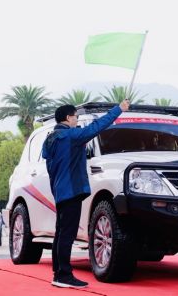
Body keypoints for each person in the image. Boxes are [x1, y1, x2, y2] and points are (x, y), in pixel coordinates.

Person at [43, 100, 131, 289]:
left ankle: (58, 273)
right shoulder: (70, 136)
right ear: (68, 118)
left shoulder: (50, 139)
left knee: (61, 233)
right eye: (75, 117)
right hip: (71, 191)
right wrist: (119, 109)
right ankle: (64, 275)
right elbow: (97, 127)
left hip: (59, 191)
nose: (77, 120)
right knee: (67, 234)